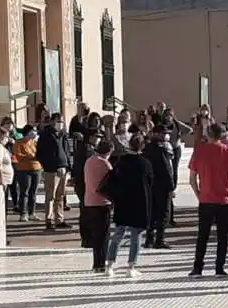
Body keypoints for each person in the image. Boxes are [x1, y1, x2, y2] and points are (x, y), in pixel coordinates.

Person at [189, 123, 228, 277]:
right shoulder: (227, 150)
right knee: (222, 236)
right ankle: (219, 267)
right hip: (224, 198)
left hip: (206, 198)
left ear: (208, 134)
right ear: (222, 135)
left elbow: (192, 178)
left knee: (202, 235)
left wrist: (199, 193)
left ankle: (198, 267)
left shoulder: (199, 151)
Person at [103, 135, 154, 278]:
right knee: (136, 236)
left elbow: (113, 181)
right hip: (139, 203)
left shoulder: (121, 162)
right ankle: (131, 266)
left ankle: (110, 265)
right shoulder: (145, 163)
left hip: (123, 202)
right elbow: (150, 182)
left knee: (118, 234)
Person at [81, 140, 114, 273]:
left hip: (89, 200)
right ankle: (101, 262)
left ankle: (96, 262)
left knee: (95, 234)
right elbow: (112, 181)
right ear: (109, 151)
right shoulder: (105, 163)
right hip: (102, 202)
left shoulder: (89, 161)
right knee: (104, 234)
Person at [36, 114, 73, 230]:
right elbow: (40, 154)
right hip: (52, 170)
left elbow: (66, 150)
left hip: (63, 169)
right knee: (50, 196)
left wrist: (68, 166)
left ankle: (59, 219)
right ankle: (49, 219)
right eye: (58, 121)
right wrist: (50, 166)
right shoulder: (45, 135)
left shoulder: (63, 135)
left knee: (60, 196)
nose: (60, 123)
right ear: (52, 122)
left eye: (62, 121)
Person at [142, 125, 175, 249]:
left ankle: (149, 239)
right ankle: (159, 240)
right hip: (162, 185)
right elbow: (167, 169)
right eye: (162, 133)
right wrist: (171, 186)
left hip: (150, 185)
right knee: (163, 213)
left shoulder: (146, 149)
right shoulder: (161, 150)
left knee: (151, 212)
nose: (164, 136)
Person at [13, 125, 42, 222]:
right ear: (27, 132)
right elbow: (19, 156)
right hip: (23, 170)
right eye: (32, 131)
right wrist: (31, 156)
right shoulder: (19, 143)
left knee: (33, 192)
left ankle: (32, 213)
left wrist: (35, 157)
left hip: (36, 168)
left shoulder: (35, 142)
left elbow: (40, 154)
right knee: (24, 191)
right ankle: (23, 213)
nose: (34, 132)